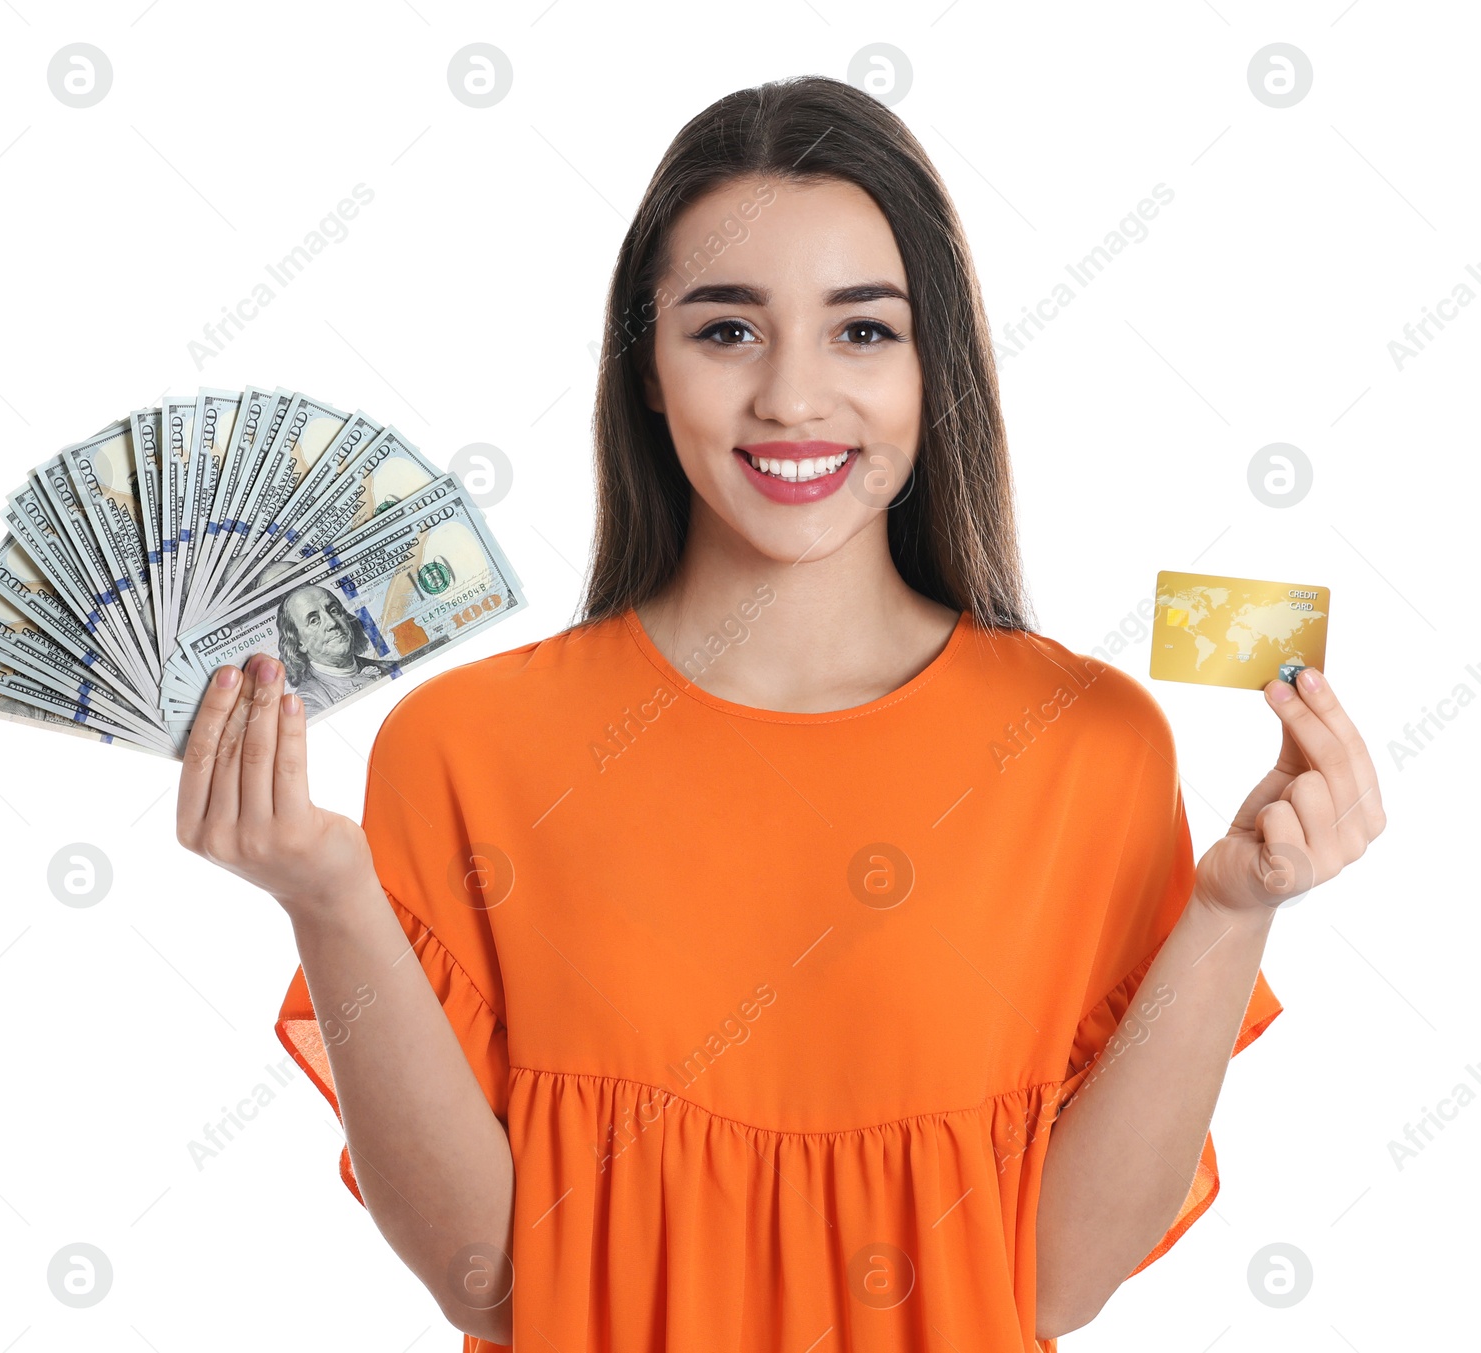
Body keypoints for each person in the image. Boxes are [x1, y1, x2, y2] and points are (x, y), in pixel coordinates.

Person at [175, 74, 1385, 1352]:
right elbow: (490, 1285)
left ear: (937, 371)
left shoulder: (1088, 744)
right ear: (645, 368)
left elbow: (1052, 1286)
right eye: (726, 331)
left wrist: (1231, 907)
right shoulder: (466, 746)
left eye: (861, 332)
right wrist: (328, 898)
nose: (793, 399)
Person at [274, 582, 399, 717]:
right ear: (299, 643)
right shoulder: (307, 704)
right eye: (314, 620)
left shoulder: (390, 666)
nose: (332, 623)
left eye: (334, 611)